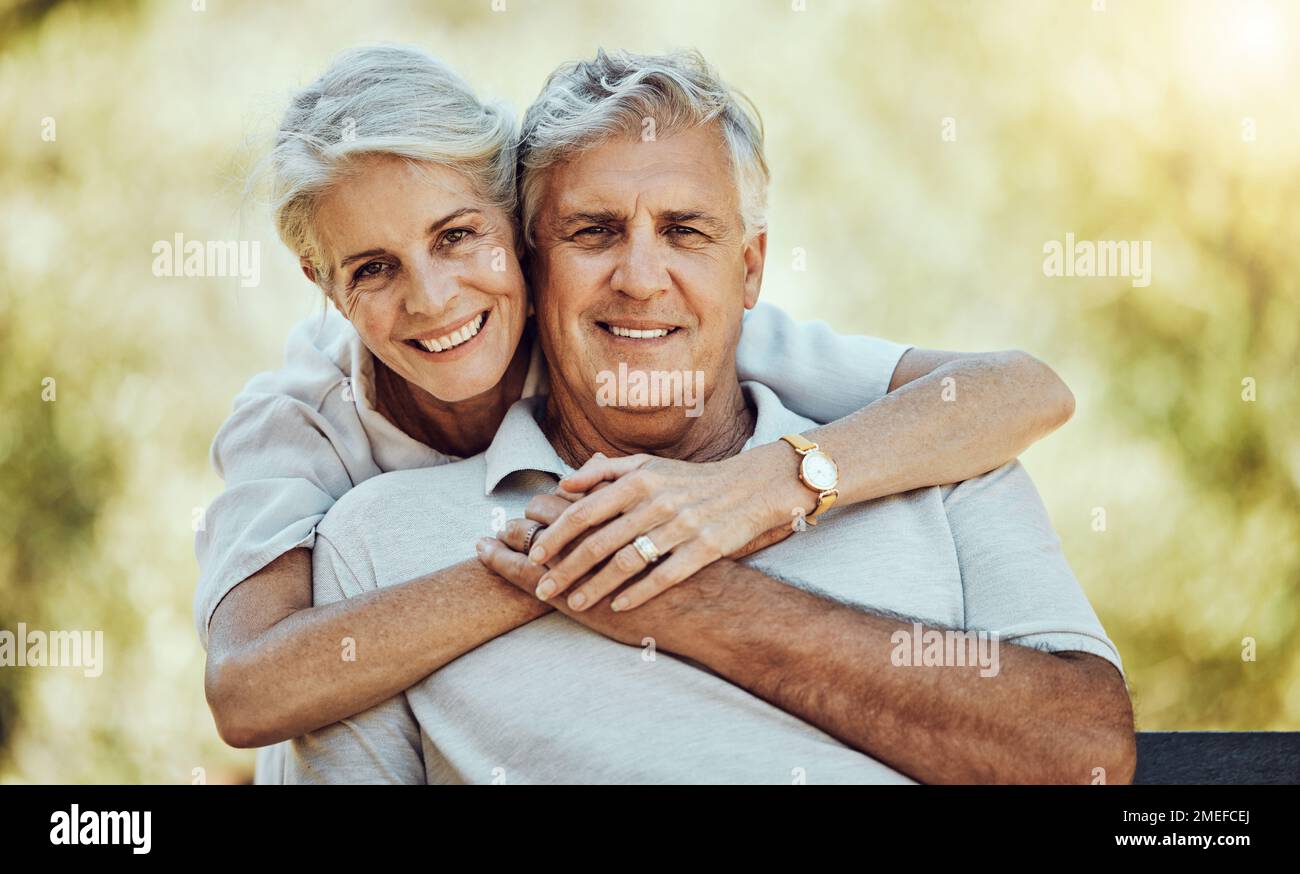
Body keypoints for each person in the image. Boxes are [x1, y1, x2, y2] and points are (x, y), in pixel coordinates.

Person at [197, 45, 1077, 776]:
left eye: (457, 236)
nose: (433, 300)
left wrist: (767, 485)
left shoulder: (680, 333)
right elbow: (248, 688)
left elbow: (1023, 388)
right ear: (323, 284)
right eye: (373, 268)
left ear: (510, 237)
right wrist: (581, 557)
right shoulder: (308, 428)